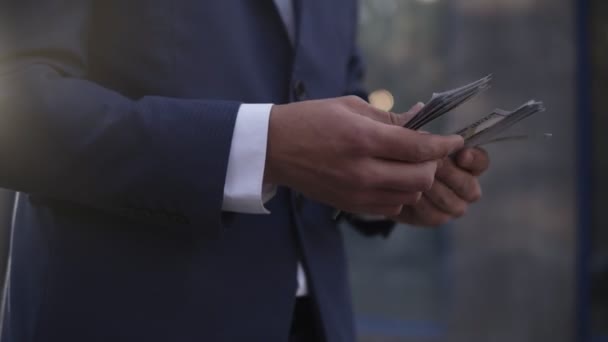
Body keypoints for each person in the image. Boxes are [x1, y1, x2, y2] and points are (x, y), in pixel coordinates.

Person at [0, 1, 490, 341]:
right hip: (129, 320)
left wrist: (391, 177)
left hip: (318, 322)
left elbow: (330, 92)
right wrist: (261, 146)